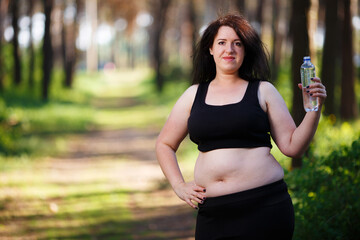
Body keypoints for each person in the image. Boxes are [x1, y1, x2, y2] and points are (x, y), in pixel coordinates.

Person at [155, 14, 326, 240]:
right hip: (214, 214)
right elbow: (164, 144)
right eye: (222, 43)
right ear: (210, 49)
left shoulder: (263, 90)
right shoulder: (193, 95)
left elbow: (293, 147)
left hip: (265, 208)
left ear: (245, 50)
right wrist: (178, 185)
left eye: (238, 43)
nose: (230, 49)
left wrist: (314, 110)